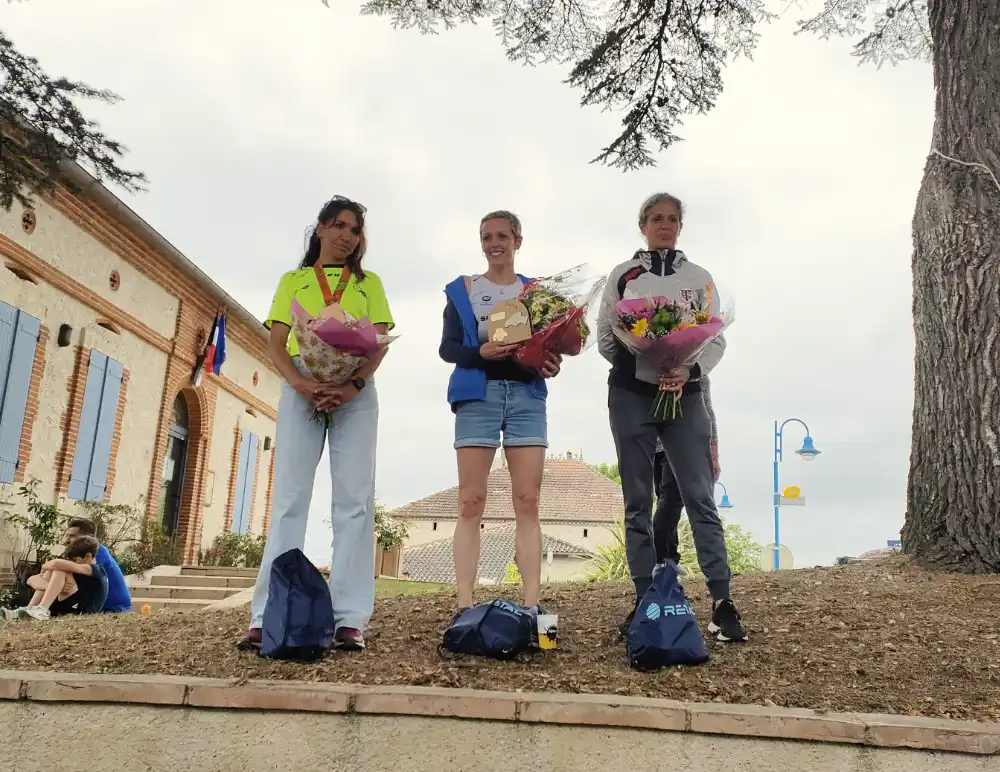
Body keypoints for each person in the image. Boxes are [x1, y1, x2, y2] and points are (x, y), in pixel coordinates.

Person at [239, 195, 394, 653]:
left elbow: (379, 343)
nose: (348, 236)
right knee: (288, 500)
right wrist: (300, 384)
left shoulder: (370, 283)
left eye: (356, 230)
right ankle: (266, 614)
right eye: (341, 226)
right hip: (300, 388)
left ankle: (349, 619)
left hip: (355, 396)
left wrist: (352, 386)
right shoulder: (294, 279)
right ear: (321, 228)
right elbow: (277, 337)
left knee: (353, 502)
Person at [597, 192, 748, 643]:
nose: (665, 225)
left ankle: (722, 603)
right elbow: (607, 335)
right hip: (632, 396)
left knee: (700, 497)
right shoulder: (624, 276)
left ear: (681, 227)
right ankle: (645, 599)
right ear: (642, 224)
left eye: (673, 219)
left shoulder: (700, 279)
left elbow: (715, 340)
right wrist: (646, 364)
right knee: (637, 502)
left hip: (686, 397)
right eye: (656, 218)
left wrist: (686, 368)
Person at [439, 210, 561, 617]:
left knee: (527, 500)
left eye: (502, 236)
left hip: (526, 397)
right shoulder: (464, 290)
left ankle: (531, 606)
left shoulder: (536, 292)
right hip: (478, 395)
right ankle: (464, 605)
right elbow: (448, 348)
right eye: (486, 236)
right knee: (470, 500)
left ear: (517, 240)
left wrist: (551, 362)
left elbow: (551, 346)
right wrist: (480, 353)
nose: (494, 243)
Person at [652, 376, 719, 569]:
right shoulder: (696, 372)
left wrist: (714, 453)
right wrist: (713, 453)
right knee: (670, 501)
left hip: (654, 444)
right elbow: (707, 412)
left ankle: (668, 557)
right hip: (677, 444)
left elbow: (708, 411)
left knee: (666, 501)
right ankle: (660, 558)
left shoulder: (654, 367)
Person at [10, 536, 109, 621]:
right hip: (65, 607)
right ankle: (30, 609)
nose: (72, 563)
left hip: (82, 611)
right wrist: (56, 587)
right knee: (53, 570)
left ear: (88, 556)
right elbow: (31, 580)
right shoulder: (75, 574)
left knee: (58, 569)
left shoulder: (97, 570)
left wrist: (45, 567)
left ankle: (42, 608)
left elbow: (57, 564)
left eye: (74, 560)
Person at [63, 518, 132, 613]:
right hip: (96, 608)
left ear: (89, 537)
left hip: (115, 609)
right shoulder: (78, 554)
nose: (67, 540)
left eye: (72, 536)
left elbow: (78, 571)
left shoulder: (98, 553)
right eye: (67, 535)